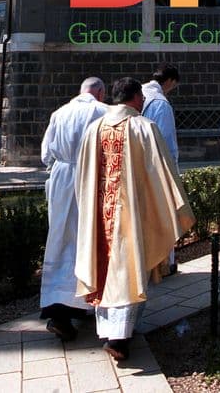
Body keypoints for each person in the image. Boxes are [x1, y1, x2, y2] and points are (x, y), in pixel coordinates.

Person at [74, 77, 195, 361]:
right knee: (127, 269)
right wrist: (173, 210)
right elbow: (162, 173)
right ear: (136, 98)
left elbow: (83, 177)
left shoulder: (94, 129)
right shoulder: (144, 127)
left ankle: (110, 331)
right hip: (132, 215)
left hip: (100, 215)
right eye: (141, 97)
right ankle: (120, 337)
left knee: (106, 267)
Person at [40, 76, 108, 341]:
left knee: (60, 241)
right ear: (100, 93)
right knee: (87, 241)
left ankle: (60, 311)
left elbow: (46, 154)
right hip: (89, 180)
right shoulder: (103, 111)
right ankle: (86, 302)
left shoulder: (60, 113)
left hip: (61, 180)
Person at [142, 63, 180, 273]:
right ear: (170, 81)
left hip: (138, 164)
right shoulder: (161, 104)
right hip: (157, 166)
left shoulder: (138, 95)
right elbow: (165, 140)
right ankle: (165, 262)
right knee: (163, 215)